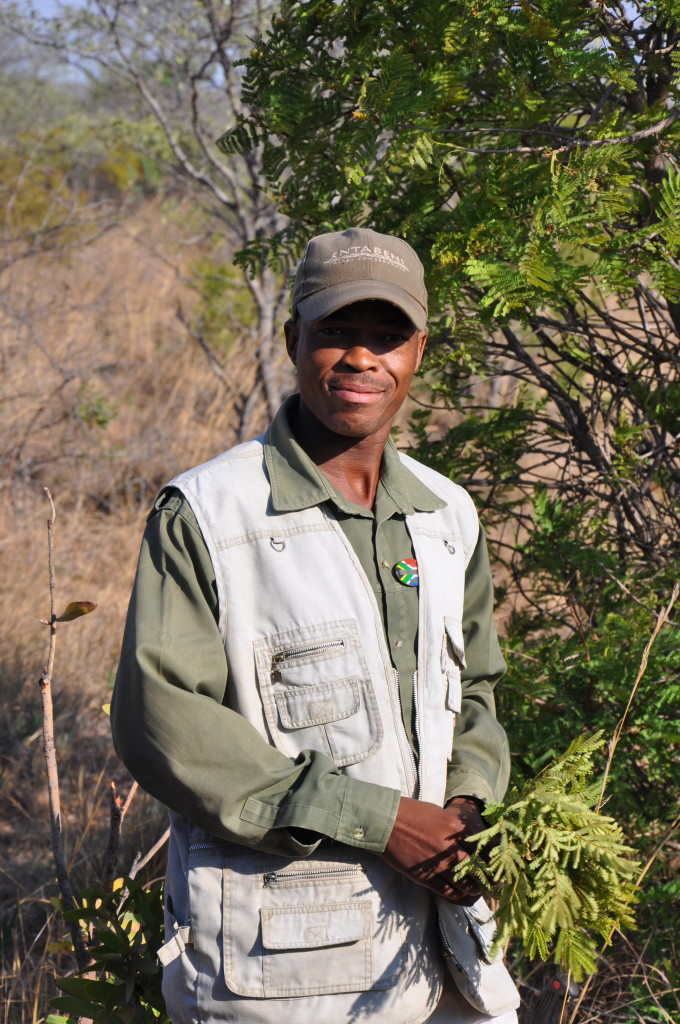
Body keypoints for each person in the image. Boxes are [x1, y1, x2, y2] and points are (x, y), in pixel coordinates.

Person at [111, 227, 520, 1024]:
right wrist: (383, 821)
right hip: (282, 978)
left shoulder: (446, 514)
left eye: (386, 336)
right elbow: (163, 723)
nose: (361, 359)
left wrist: (468, 808)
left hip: (447, 965)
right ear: (294, 338)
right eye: (336, 332)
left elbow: (476, 690)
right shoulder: (209, 513)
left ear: (419, 352)